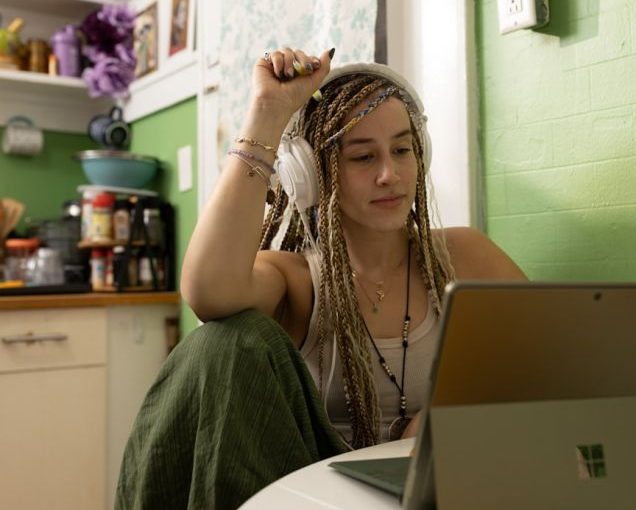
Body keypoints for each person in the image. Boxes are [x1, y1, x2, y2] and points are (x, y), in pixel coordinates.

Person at [115, 47, 526, 509]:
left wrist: (448, 418)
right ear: (311, 173)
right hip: (314, 490)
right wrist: (267, 115)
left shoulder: (463, 257)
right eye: (362, 157)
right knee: (224, 341)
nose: (389, 174)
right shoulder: (294, 279)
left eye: (402, 149)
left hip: (439, 484)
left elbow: (554, 367)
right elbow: (207, 292)